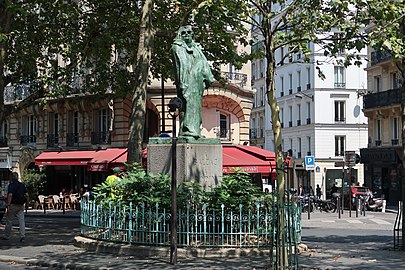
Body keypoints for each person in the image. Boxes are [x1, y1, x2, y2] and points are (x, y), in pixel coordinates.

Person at [172, 25, 214, 138]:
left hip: (198, 81)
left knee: (196, 106)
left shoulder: (196, 48)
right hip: (187, 80)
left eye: (189, 32)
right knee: (188, 104)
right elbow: (181, 65)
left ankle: (195, 129)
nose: (187, 34)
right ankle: (188, 129)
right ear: (180, 35)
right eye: (184, 33)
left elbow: (204, 62)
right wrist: (183, 82)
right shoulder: (177, 47)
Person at [1, 172, 28, 242]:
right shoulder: (22, 185)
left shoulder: (11, 185)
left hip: (13, 205)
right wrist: (27, 203)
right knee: (21, 221)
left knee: (9, 221)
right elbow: (27, 195)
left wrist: (8, 205)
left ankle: (7, 235)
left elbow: (10, 195)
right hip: (21, 205)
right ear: (18, 177)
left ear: (11, 178)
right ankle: (22, 236)